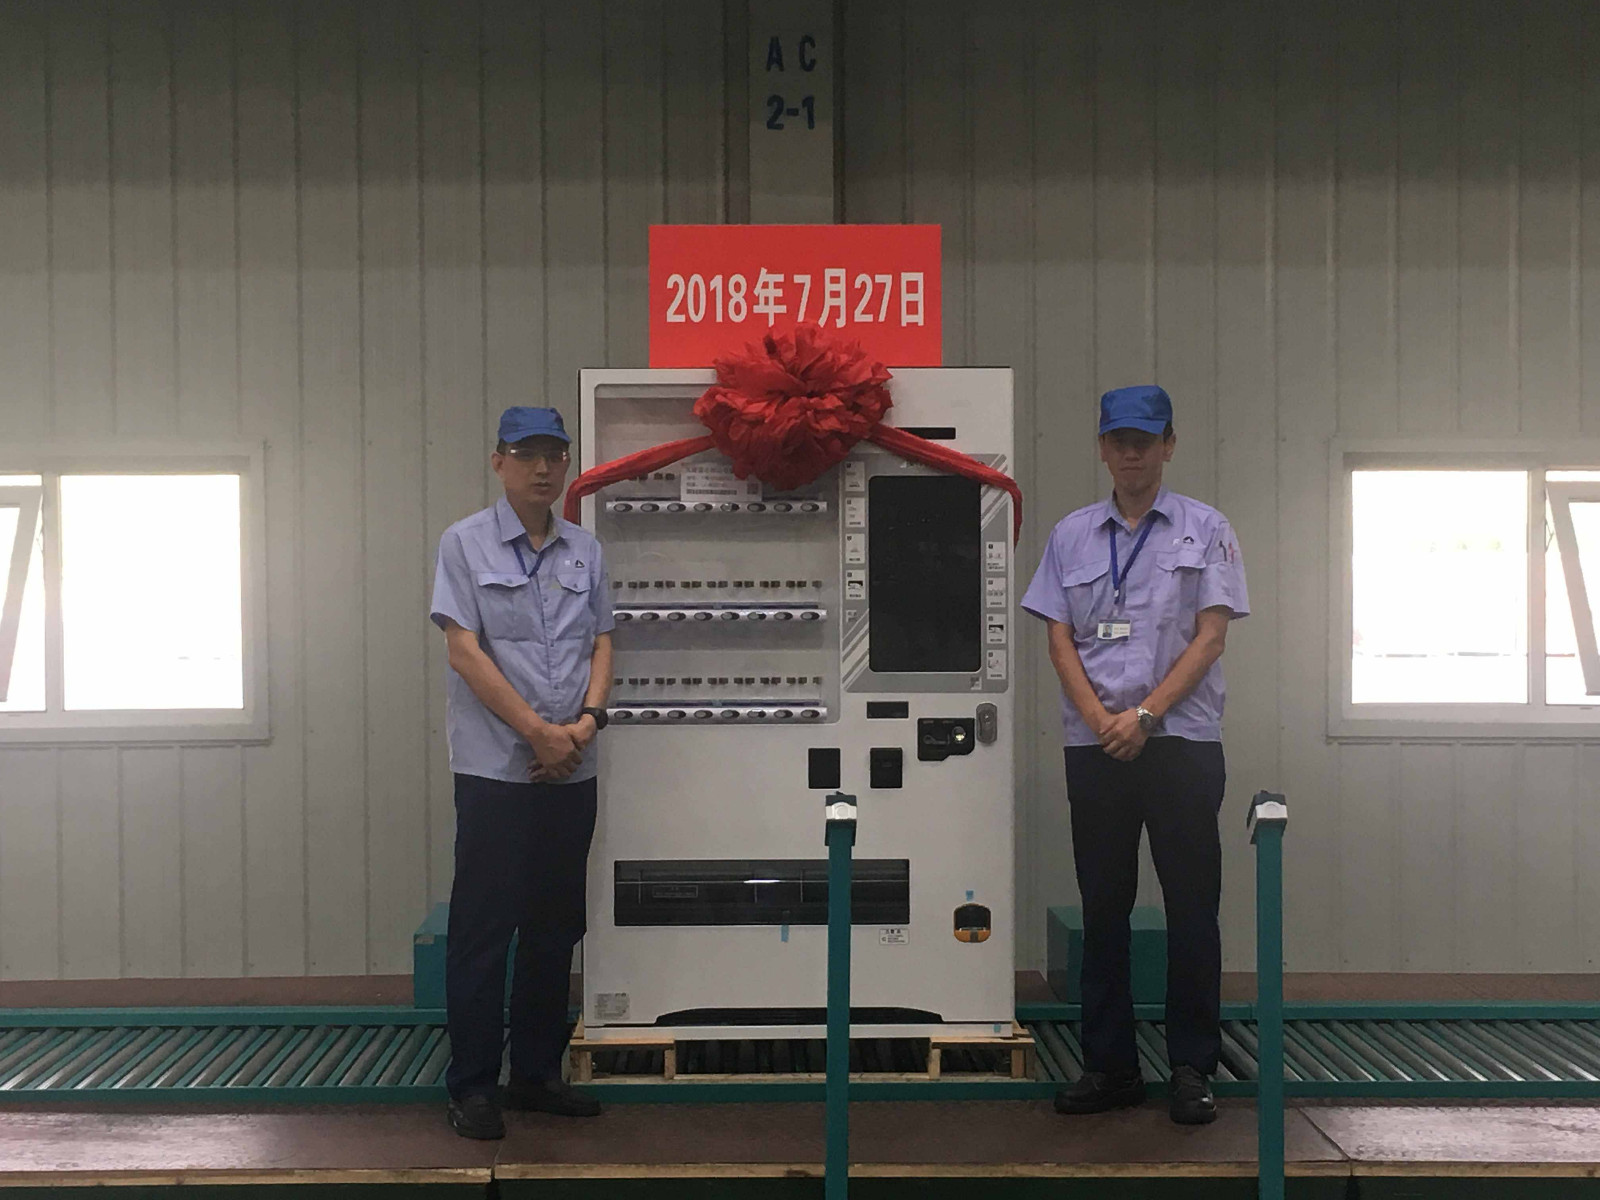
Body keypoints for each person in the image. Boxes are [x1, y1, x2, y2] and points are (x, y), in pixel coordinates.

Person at [1021, 385, 1249, 1126]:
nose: (1131, 453)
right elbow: (1059, 638)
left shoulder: (1206, 528)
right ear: (1102, 448)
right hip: (1096, 746)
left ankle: (1191, 1067)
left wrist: (1145, 717)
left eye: (1145, 441)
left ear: (1168, 445)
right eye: (1119, 440)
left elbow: (1211, 637)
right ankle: (1110, 1067)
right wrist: (1102, 721)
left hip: (1181, 743)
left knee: (1192, 907)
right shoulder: (1071, 535)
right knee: (1104, 906)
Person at [429, 406, 614, 1140]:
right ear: (498, 461)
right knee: (484, 930)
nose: (542, 469)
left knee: (554, 926)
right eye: (527, 454)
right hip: (495, 771)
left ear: (566, 464)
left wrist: (586, 723)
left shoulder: (585, 550)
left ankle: (535, 1075)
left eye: (554, 456)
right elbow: (463, 651)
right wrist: (538, 733)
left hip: (572, 767)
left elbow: (602, 641)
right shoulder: (464, 543)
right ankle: (474, 1086)